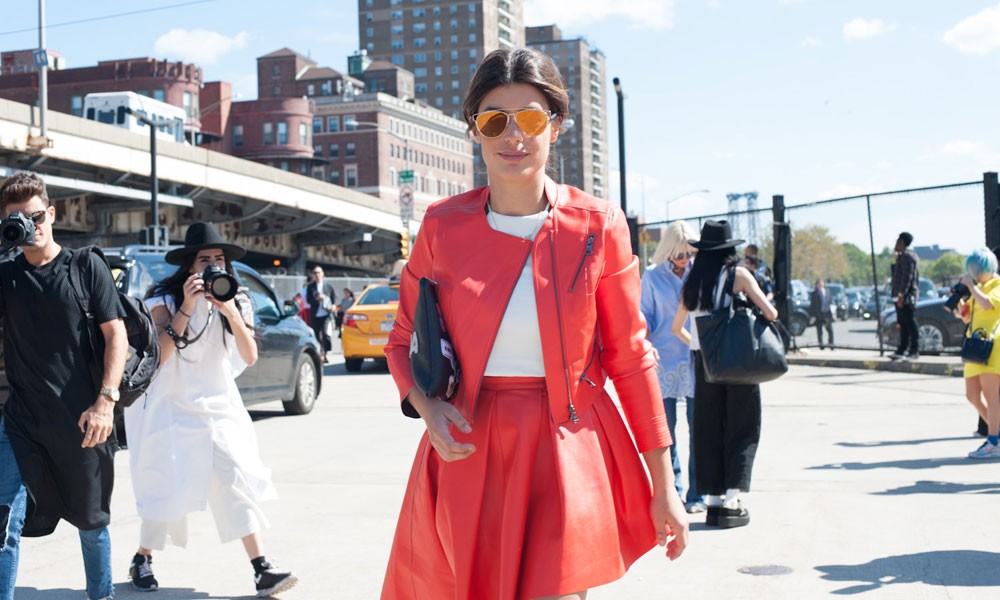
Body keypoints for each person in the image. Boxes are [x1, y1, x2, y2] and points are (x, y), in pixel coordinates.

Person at [380, 48, 688, 600]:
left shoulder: (598, 225)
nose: (513, 135)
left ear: (557, 124)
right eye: (494, 120)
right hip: (469, 448)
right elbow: (402, 340)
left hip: (568, 448)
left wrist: (663, 484)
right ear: (474, 128)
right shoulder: (442, 227)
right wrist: (428, 409)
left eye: (529, 117)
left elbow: (631, 358)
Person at [123, 222, 297, 596]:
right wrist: (188, 306)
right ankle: (142, 557)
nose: (214, 266)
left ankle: (261, 567)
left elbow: (250, 356)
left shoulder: (237, 298)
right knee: (166, 485)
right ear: (190, 266)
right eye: (205, 260)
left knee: (235, 476)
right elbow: (160, 357)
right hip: (171, 406)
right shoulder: (164, 300)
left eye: (219, 259)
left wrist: (230, 311)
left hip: (218, 404)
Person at [0, 171, 127, 600]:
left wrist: (106, 402)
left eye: (35, 217)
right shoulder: (6, 275)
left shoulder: (85, 266)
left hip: (82, 420)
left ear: (51, 214)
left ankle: (101, 595)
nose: (30, 226)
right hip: (21, 423)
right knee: (3, 522)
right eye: (17, 220)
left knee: (91, 525)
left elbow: (116, 334)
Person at [672, 220, 778, 529]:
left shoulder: (693, 281)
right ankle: (733, 500)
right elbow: (770, 313)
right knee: (742, 426)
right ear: (729, 250)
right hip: (738, 361)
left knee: (708, 428)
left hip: (704, 364)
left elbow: (676, 328)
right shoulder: (739, 275)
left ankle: (713, 501)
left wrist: (698, 346)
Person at [641, 221, 706, 514]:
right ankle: (674, 491)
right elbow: (644, 314)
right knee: (666, 432)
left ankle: (697, 493)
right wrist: (643, 340)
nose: (684, 260)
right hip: (664, 359)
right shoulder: (652, 276)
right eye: (679, 254)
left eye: (689, 254)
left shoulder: (700, 274)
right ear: (668, 250)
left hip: (696, 359)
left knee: (698, 428)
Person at [953, 248, 1000, 459]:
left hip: (991, 346)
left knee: (991, 396)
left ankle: (993, 441)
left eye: (977, 269)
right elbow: (966, 318)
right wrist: (959, 303)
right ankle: (997, 434)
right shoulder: (978, 288)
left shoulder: (996, 285)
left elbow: (988, 305)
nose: (975, 274)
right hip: (974, 347)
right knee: (972, 395)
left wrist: (971, 287)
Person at [889, 231, 920, 361]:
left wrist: (901, 295)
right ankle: (902, 349)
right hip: (900, 295)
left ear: (902, 242)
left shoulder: (908, 256)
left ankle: (914, 350)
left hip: (907, 296)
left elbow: (907, 277)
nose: (895, 244)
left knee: (909, 322)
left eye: (898, 241)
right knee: (902, 323)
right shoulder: (902, 257)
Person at [306, 266, 335, 362]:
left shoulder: (328, 286)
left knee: (326, 334)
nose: (317, 275)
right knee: (316, 335)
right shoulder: (311, 287)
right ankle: (320, 353)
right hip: (315, 315)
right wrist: (317, 299)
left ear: (322, 274)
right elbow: (308, 300)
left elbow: (333, 297)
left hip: (326, 314)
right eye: (315, 273)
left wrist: (333, 305)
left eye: (318, 272)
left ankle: (325, 353)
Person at [809, 278, 835, 350]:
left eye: (821, 283)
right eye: (818, 284)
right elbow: (812, 305)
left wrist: (833, 312)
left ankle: (831, 344)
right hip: (819, 314)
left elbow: (831, 301)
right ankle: (821, 345)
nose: (820, 285)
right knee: (819, 331)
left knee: (830, 330)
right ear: (816, 285)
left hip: (827, 313)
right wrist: (812, 315)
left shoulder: (827, 291)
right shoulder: (814, 294)